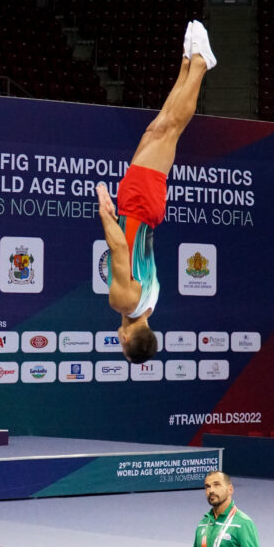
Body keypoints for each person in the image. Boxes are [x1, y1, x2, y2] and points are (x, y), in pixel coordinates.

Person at [97, 19, 217, 364]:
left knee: (156, 130)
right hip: (137, 207)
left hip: (141, 211)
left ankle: (185, 63)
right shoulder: (123, 303)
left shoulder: (150, 303)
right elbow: (119, 247)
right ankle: (200, 65)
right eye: (121, 345)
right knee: (170, 130)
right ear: (125, 340)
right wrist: (105, 213)